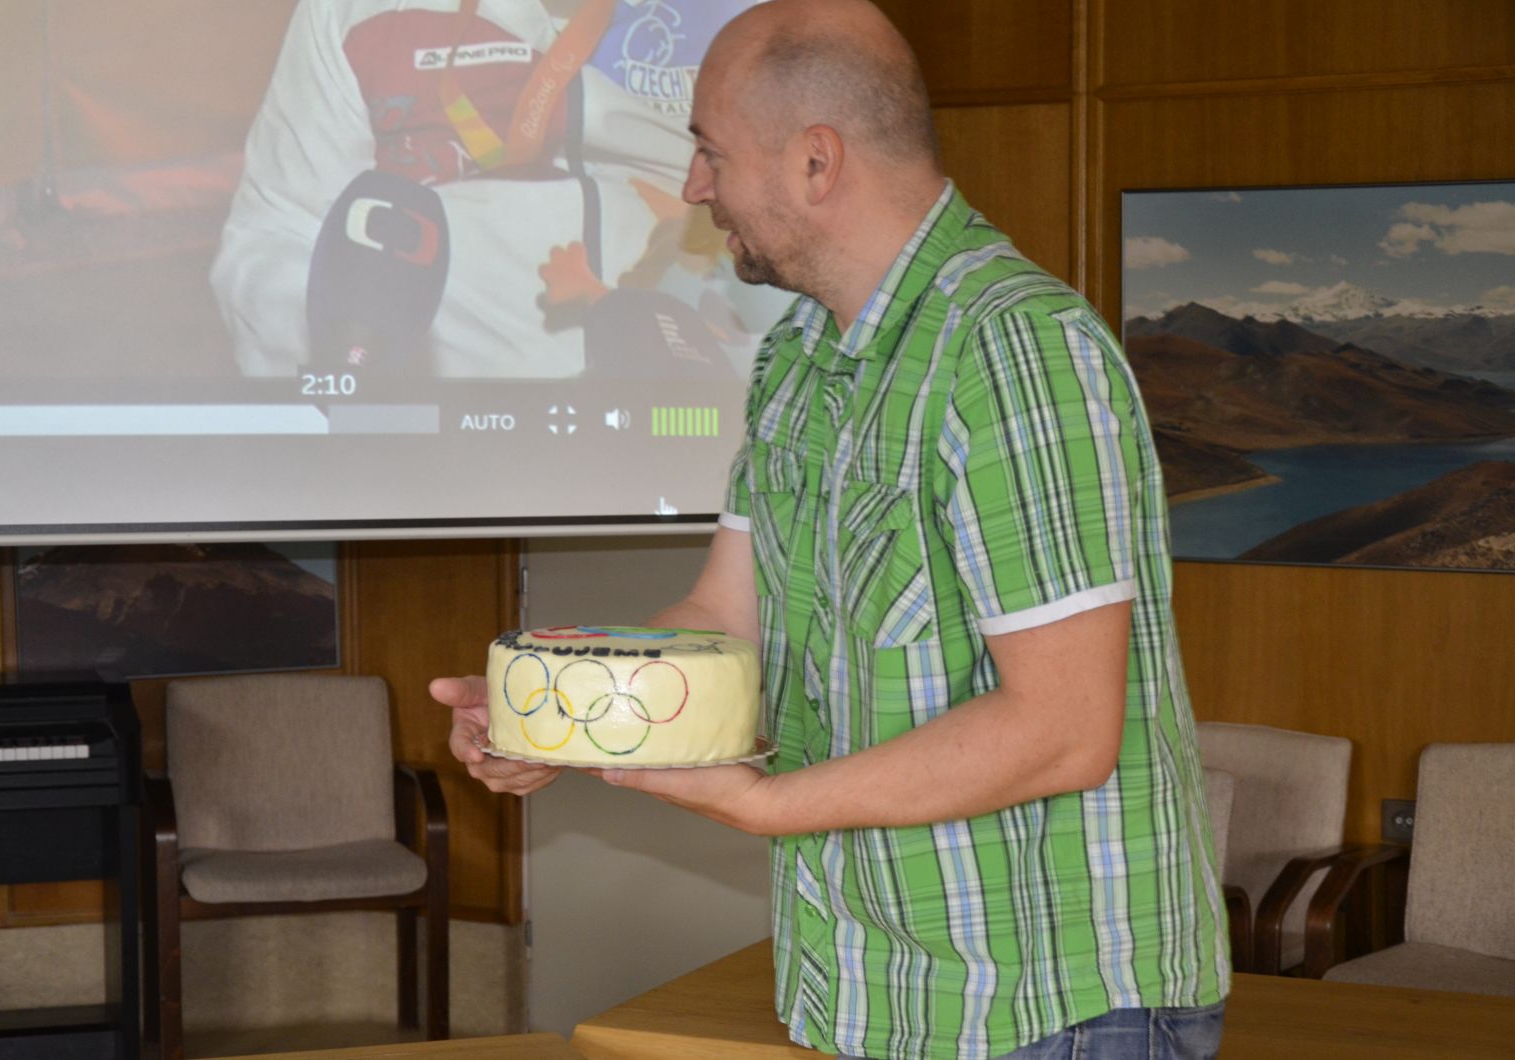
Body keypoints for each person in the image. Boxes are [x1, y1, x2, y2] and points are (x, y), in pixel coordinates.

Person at [432, 0, 1230, 1056]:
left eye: (713, 152)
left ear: (816, 161)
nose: (694, 186)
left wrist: (767, 804)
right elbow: (726, 619)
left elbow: (1063, 729)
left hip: (1048, 1009)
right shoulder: (796, 355)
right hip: (870, 990)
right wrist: (553, 711)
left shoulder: (1014, 351)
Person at [211, 0, 784, 379]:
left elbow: (803, 224)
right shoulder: (357, 10)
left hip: (692, 429)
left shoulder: (755, 16)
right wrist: (354, 370)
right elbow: (276, 235)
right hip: (441, 448)